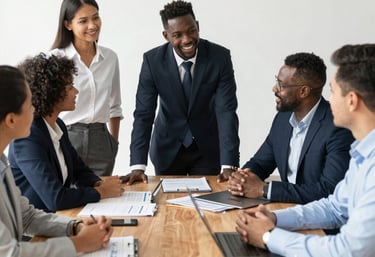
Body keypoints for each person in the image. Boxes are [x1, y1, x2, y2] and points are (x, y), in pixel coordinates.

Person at [235, 44, 375, 256]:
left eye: (333, 91)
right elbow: (335, 207)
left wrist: (268, 236)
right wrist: (274, 218)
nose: (329, 100)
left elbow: (348, 251)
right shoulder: (362, 153)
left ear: (352, 100)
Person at [122, 0, 240, 185]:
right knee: (166, 207)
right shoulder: (152, 62)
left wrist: (229, 164)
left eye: (191, 30)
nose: (186, 40)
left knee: (206, 205)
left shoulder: (220, 58)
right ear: (166, 35)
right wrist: (137, 165)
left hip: (207, 150)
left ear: (198, 26)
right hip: (167, 148)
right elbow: (144, 114)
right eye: (177, 34)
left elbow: (226, 111)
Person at [0, 65, 113, 256]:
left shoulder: (2, 162)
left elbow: (26, 216)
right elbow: (10, 253)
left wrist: (74, 226)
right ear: (11, 120)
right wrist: (80, 243)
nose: (35, 109)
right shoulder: (27, 141)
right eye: (30, 105)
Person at [227, 52, 354, 204]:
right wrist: (242, 179)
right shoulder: (283, 119)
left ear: (303, 91)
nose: (275, 88)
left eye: (281, 85)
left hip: (319, 220)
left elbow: (329, 190)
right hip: (283, 208)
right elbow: (260, 163)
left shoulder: (337, 127)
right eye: (277, 81)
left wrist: (265, 189)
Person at [8, 53, 123, 213]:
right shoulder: (28, 138)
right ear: (51, 93)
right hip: (33, 231)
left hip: (57, 218)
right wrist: (101, 192)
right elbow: (56, 198)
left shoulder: (58, 125)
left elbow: (79, 170)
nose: (76, 91)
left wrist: (98, 183)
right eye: (69, 87)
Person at [50, 0, 123, 176]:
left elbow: (115, 105)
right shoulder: (56, 59)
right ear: (68, 24)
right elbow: (48, 108)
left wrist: (113, 144)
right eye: (83, 21)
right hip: (66, 136)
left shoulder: (110, 58)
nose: (92, 25)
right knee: (69, 198)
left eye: (95, 18)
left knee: (103, 198)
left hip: (101, 141)